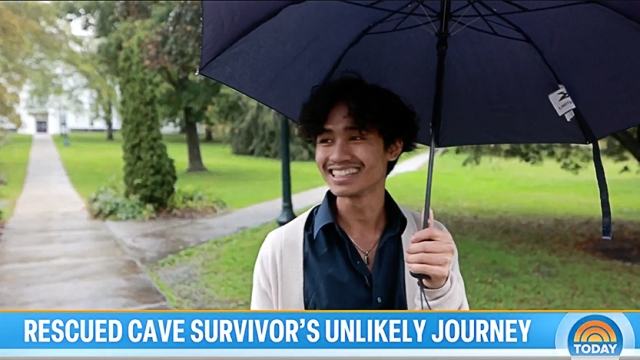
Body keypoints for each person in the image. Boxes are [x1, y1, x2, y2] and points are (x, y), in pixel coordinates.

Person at [250, 74, 469, 310]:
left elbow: (454, 342)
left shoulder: (429, 240)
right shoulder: (281, 248)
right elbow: (262, 344)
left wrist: (440, 288)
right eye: (325, 140)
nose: (337, 155)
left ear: (394, 147)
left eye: (356, 137)